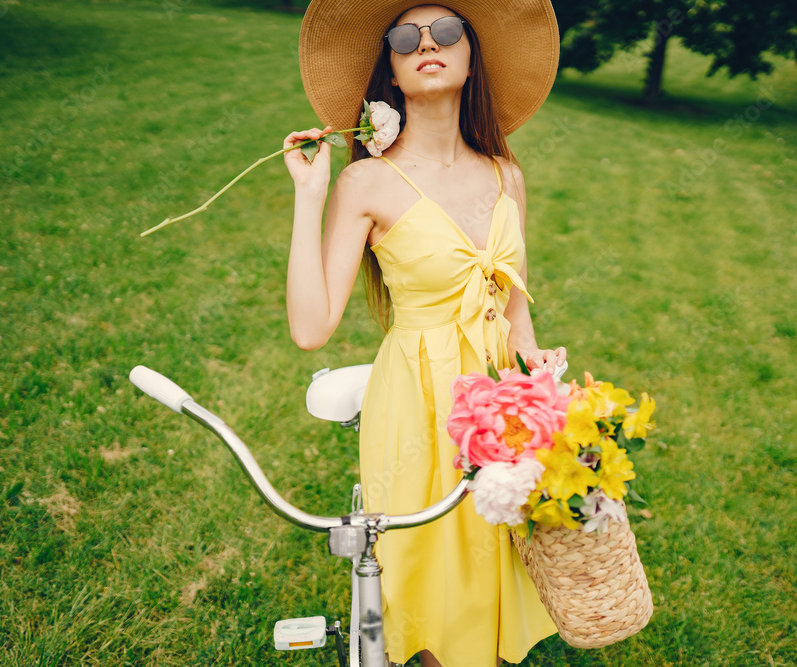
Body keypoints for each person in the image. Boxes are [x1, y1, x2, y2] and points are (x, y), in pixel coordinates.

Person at [284, 2, 565, 665]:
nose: (427, 44)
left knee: (494, 569)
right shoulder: (367, 182)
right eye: (406, 37)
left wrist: (543, 389)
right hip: (418, 403)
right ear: (391, 67)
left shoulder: (507, 175)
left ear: (472, 59)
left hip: (497, 404)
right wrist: (309, 194)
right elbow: (310, 327)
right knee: (431, 586)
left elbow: (517, 309)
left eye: (447, 33)